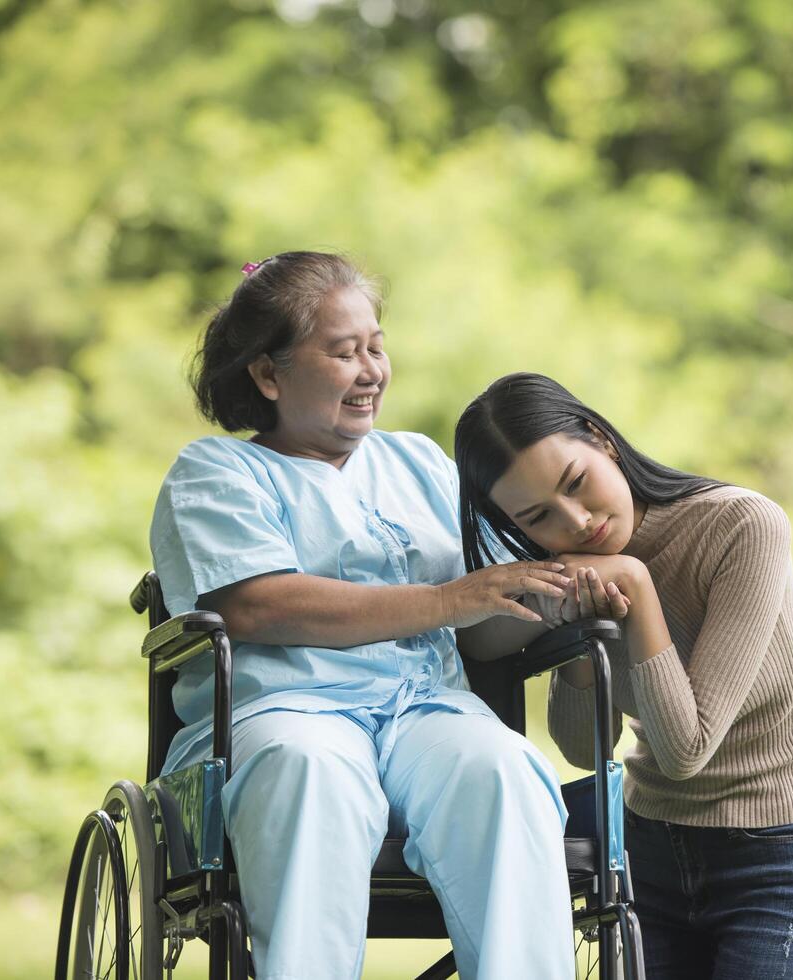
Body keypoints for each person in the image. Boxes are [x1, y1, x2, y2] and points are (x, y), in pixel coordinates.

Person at [149, 253, 577, 980]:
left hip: (425, 710)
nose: (371, 369)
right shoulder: (216, 472)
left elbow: (489, 609)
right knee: (310, 769)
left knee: (504, 768)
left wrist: (550, 596)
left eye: (375, 346)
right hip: (283, 711)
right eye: (343, 352)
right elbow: (255, 602)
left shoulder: (420, 463)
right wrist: (449, 598)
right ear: (268, 374)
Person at [455, 372, 793, 980]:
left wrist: (636, 587)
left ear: (601, 438)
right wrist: (580, 632)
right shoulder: (575, 571)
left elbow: (686, 748)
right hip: (648, 851)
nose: (577, 521)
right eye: (539, 517)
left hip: (776, 857)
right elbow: (585, 748)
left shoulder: (743, 527)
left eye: (577, 483)